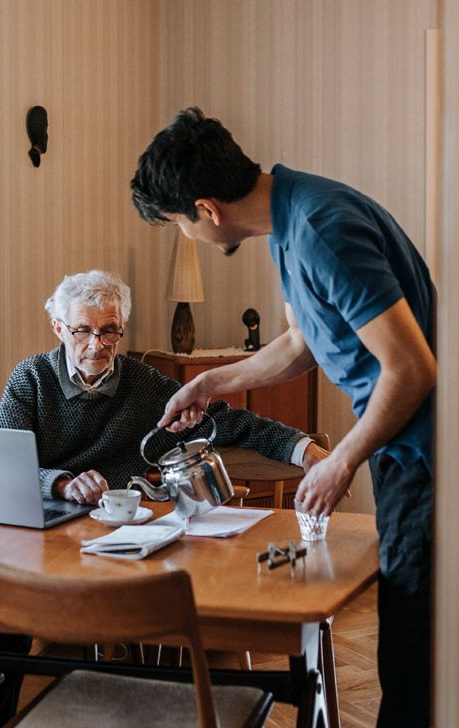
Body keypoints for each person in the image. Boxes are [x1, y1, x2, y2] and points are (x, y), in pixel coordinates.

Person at [131, 108, 437, 727]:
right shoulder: (291, 219)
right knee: (408, 652)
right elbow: (302, 345)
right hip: (405, 453)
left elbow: (411, 369)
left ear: (207, 211)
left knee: (411, 662)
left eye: (176, 226)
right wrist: (211, 383)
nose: (183, 236)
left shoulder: (323, 229)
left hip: (428, 461)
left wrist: (342, 460)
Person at [0, 269, 328, 504]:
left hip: (119, 526)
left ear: (122, 326)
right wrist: (62, 485)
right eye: (82, 330)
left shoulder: (143, 384)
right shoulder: (31, 378)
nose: (96, 345)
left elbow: (227, 422)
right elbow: (0, 463)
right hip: (44, 519)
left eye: (109, 330)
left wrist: (305, 450)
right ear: (59, 328)